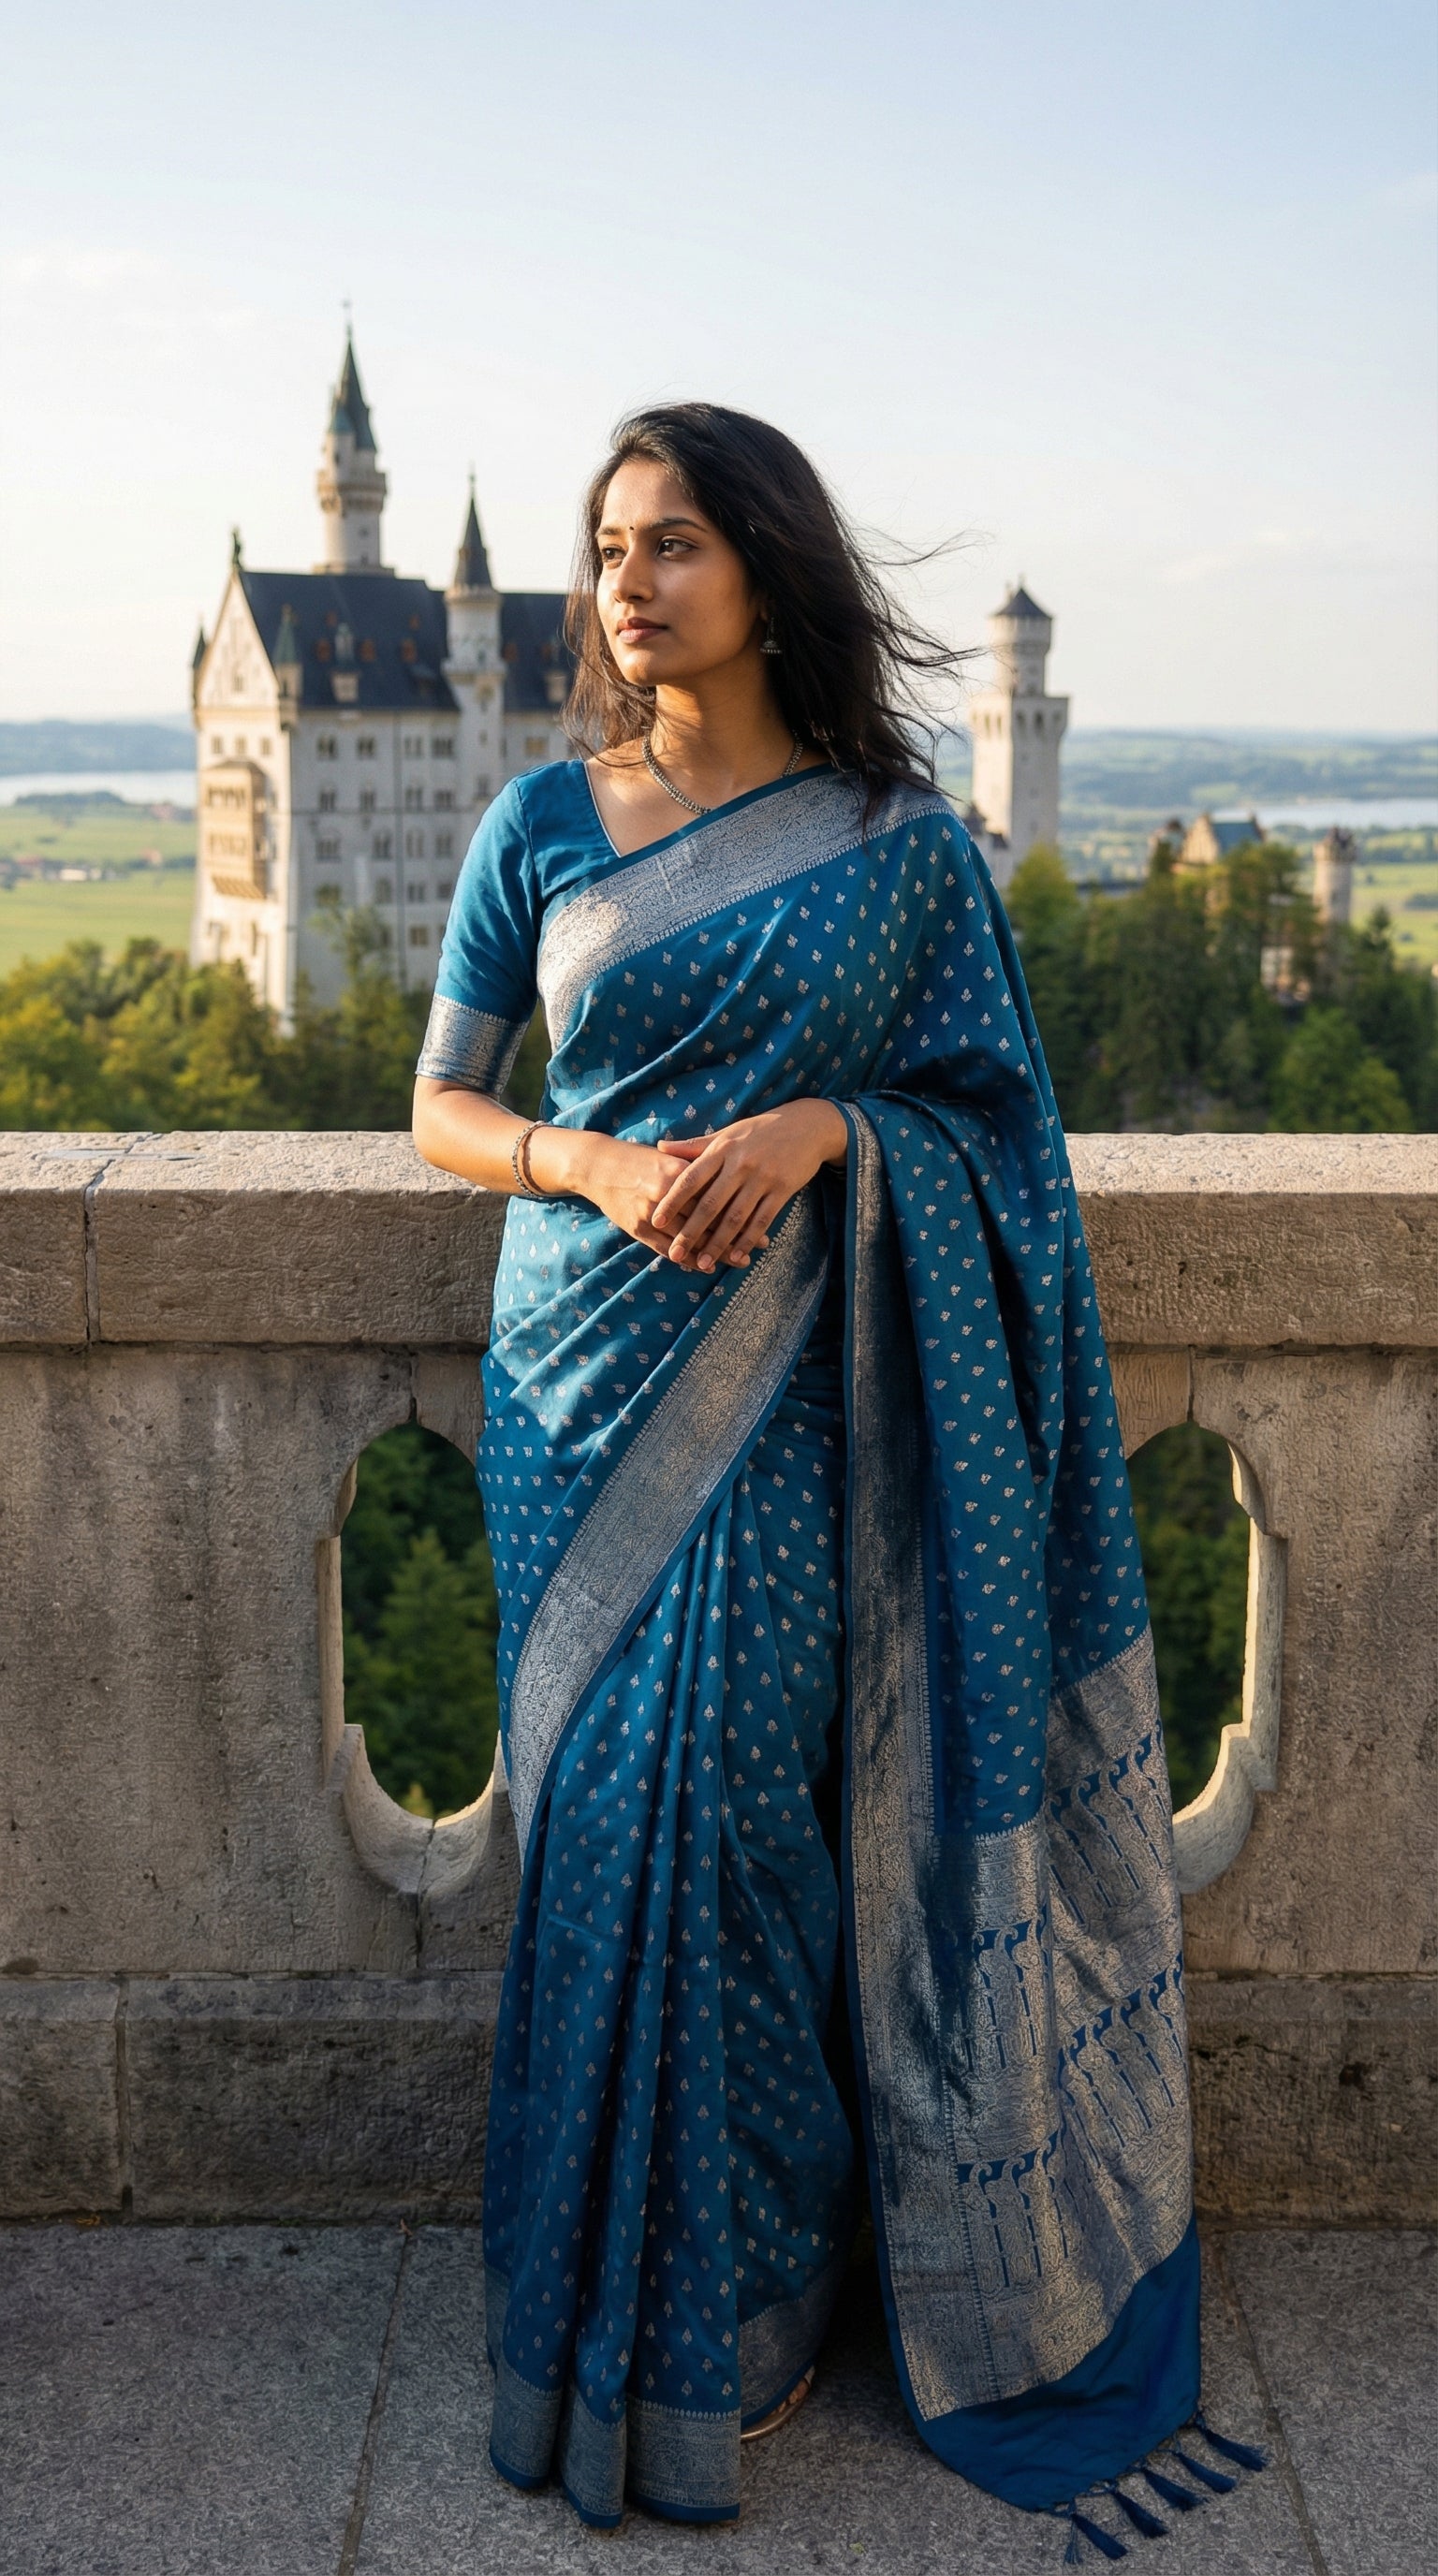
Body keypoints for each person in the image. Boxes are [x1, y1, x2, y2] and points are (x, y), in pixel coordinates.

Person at [412, 404, 1209, 2546]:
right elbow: (444, 1106)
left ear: (767, 563)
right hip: (578, 1384)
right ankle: (595, 2287)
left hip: (794, 1402)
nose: (630, 584)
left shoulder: (902, 840)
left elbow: (1000, 1130)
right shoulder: (542, 823)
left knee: (746, 1819)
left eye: (674, 542)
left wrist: (837, 1129)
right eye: (605, 550)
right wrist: (578, 1153)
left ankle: (753, 2283)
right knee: (593, 1822)